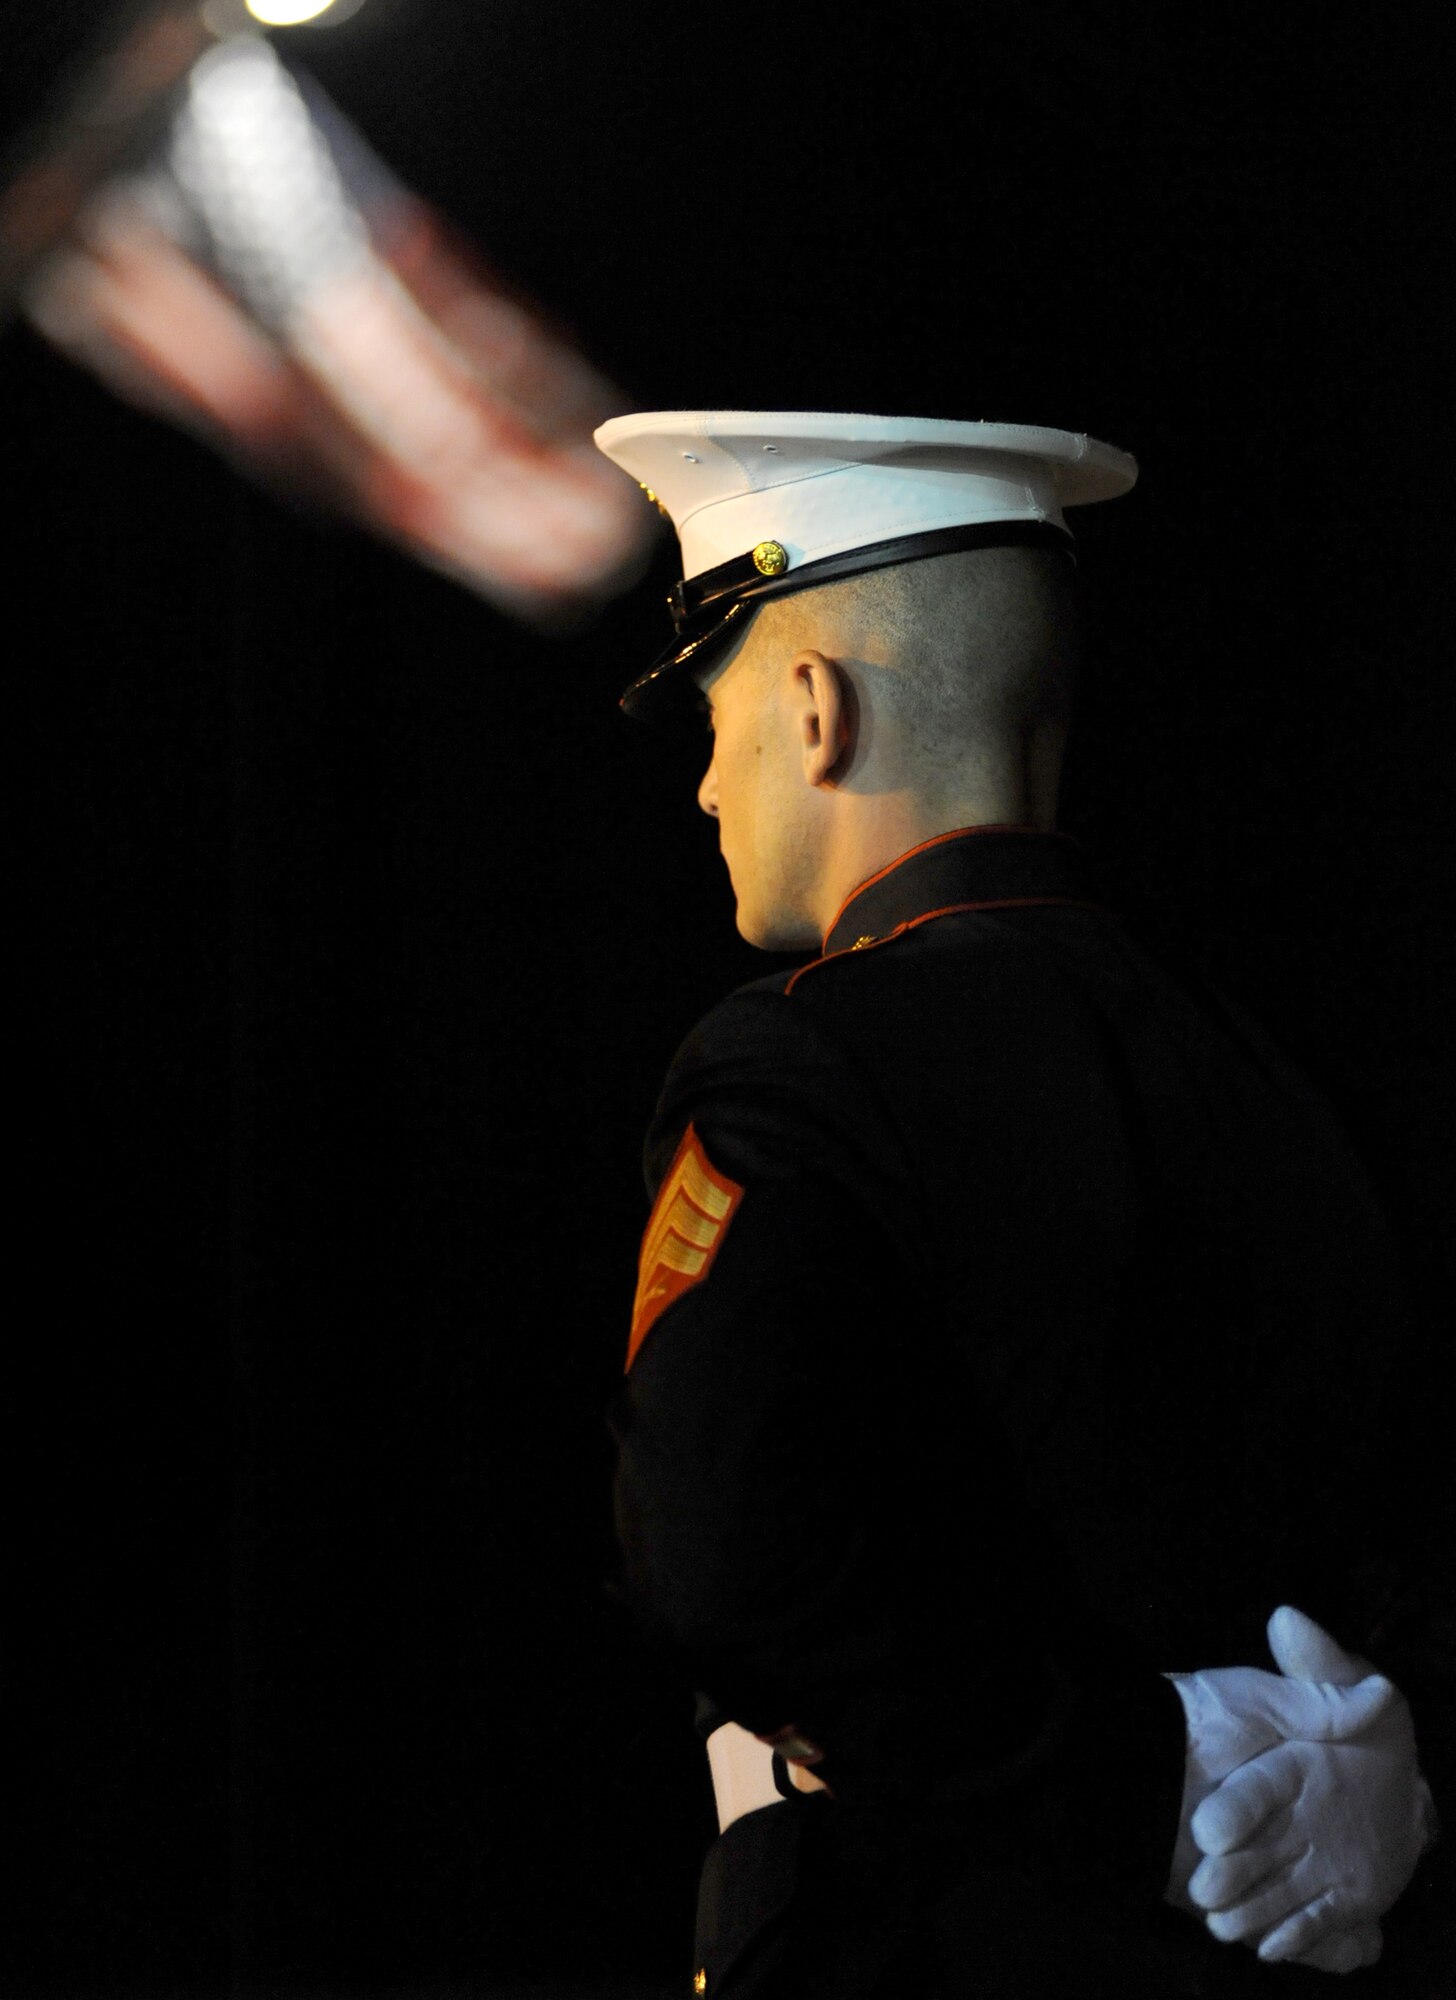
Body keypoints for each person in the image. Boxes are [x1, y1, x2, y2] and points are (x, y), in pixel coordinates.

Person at [597, 412, 1438, 1997]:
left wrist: (1150, 1781)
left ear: (816, 708)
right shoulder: (1286, 1071)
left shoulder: (801, 1060)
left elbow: (720, 1554)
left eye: (716, 717)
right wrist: (1397, 1779)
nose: (704, 786)